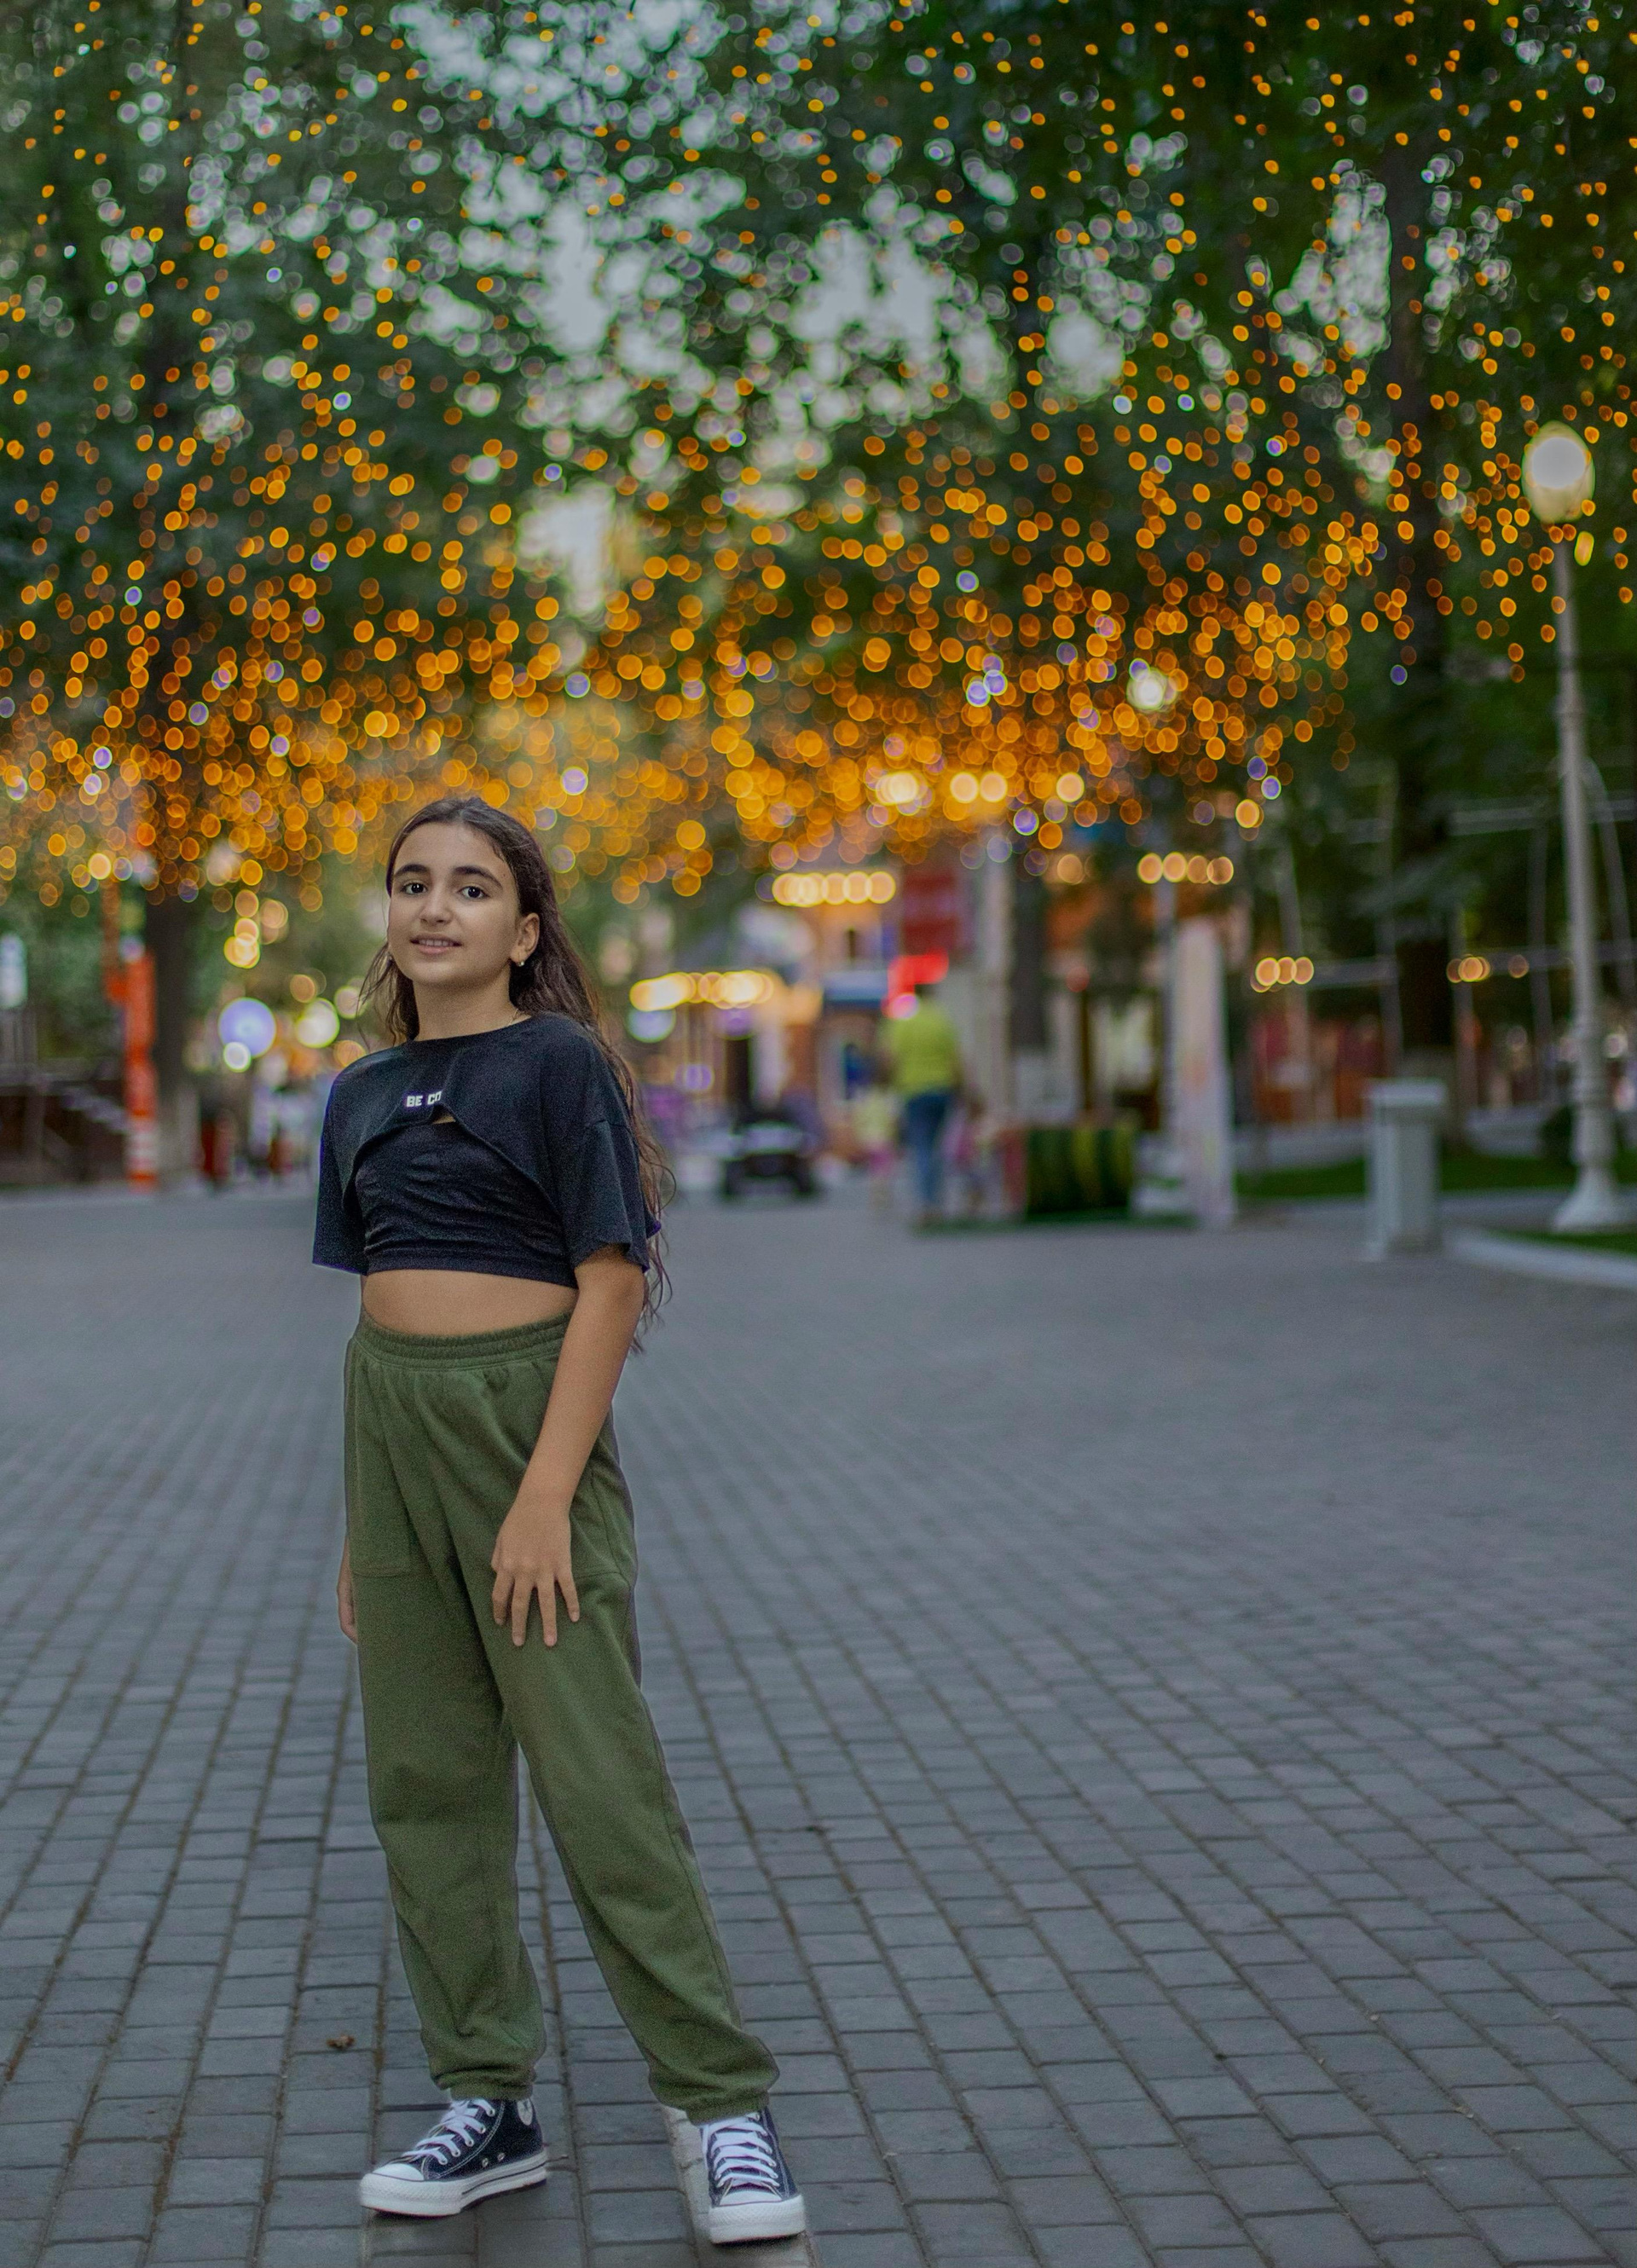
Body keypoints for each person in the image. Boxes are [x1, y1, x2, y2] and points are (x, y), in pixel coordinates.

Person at [313, 796, 803, 2245]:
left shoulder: (558, 1064)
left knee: (600, 1784)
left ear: (526, 929)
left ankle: (720, 2106)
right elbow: (373, 1307)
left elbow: (611, 1281)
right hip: (392, 1433)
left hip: (527, 1431)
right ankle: (489, 2099)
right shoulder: (360, 1091)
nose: (436, 907)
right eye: (414, 882)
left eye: (473, 887)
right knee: (427, 1787)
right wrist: (362, 1523)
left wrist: (541, 1498)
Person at [881, 978, 963, 1227]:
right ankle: (937, 1203)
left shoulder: (903, 1022)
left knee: (921, 1147)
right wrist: (962, 1089)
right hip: (942, 1089)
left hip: (914, 1091)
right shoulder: (941, 1020)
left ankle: (926, 1205)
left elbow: (889, 1058)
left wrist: (888, 1085)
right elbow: (956, 1058)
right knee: (937, 1146)